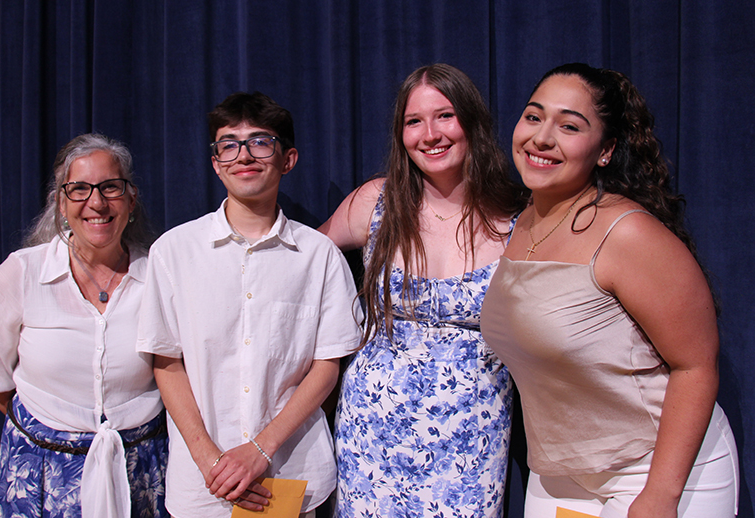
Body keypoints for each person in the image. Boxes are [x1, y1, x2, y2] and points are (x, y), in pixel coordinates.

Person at [480, 63, 739, 518]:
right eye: (534, 117)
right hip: (559, 476)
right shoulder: (522, 223)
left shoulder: (627, 233)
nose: (541, 137)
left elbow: (696, 364)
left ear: (605, 150)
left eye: (570, 126)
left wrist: (661, 495)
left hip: (656, 470)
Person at [136, 92, 362, 517]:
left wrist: (260, 449)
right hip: (202, 484)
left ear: (287, 159)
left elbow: (327, 365)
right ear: (216, 161)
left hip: (288, 475)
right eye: (229, 144)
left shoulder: (319, 255)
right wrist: (211, 460)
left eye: (260, 142)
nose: (244, 155)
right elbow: (166, 361)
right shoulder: (174, 252)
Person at [320, 63, 527, 517]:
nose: (429, 134)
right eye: (414, 121)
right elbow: (299, 267)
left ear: (471, 121)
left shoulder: (520, 218)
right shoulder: (377, 201)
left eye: (445, 116)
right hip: (373, 428)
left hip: (472, 435)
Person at [0, 133, 168, 517]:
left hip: (141, 473)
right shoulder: (21, 274)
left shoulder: (160, 275)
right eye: (79, 189)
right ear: (61, 203)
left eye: (110, 187)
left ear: (131, 199)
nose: (96, 202)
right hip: (40, 474)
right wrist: (57, 439)